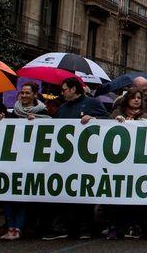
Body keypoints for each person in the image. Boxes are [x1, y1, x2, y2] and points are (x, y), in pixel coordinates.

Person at [41, 77, 108, 240]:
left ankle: (86, 228)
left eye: (64, 89)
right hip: (65, 159)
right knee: (62, 192)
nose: (62, 92)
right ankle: (61, 228)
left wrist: (94, 120)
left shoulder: (92, 103)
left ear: (73, 89)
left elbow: (108, 121)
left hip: (86, 157)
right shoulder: (62, 109)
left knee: (84, 194)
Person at [0, 82, 51, 240]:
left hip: (31, 161)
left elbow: (50, 127)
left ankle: (19, 228)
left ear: (35, 94)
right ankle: (10, 226)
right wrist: (0, 120)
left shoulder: (44, 112)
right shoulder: (12, 113)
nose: (24, 96)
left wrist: (37, 122)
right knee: (8, 193)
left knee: (24, 196)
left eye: (28, 93)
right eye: (22, 93)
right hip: (13, 160)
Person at [106, 88, 147, 240]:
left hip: (138, 162)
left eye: (139, 97)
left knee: (135, 198)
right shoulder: (116, 115)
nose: (137, 100)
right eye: (133, 97)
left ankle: (133, 226)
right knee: (116, 197)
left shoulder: (146, 117)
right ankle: (114, 226)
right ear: (127, 99)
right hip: (119, 163)